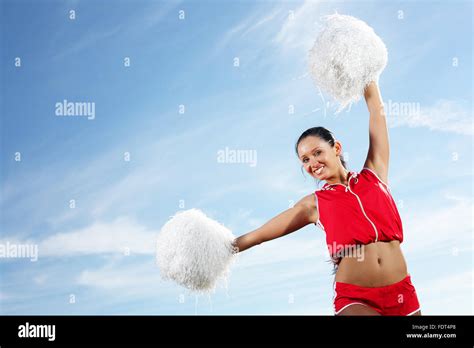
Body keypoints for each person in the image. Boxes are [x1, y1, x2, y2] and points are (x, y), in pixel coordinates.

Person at [232, 81, 421, 316]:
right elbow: (257, 236)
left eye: (317, 153)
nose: (313, 163)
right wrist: (219, 250)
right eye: (305, 160)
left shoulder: (375, 174)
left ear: (337, 148)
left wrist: (366, 70)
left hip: (403, 294)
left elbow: (376, 109)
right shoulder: (314, 204)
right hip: (356, 298)